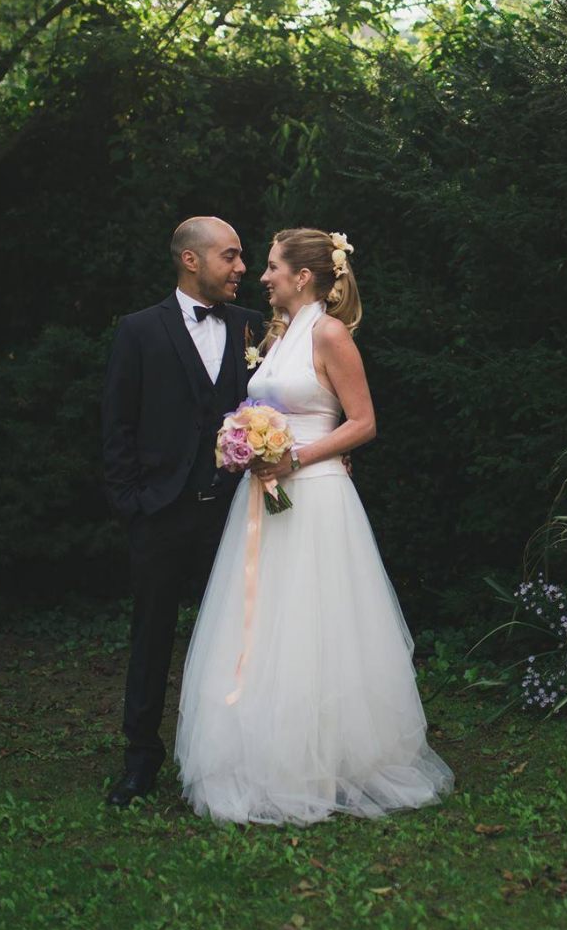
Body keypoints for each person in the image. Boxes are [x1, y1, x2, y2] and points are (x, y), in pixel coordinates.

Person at [173, 228, 454, 824]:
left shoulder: (329, 334)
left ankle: (331, 762)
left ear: (302, 277)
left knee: (316, 624)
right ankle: (266, 757)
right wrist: (247, 441)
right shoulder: (278, 336)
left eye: (273, 267)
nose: (262, 276)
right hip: (265, 497)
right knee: (266, 624)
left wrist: (294, 456)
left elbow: (363, 422)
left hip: (316, 497)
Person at [101, 217, 266, 808]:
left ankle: (235, 754)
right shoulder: (139, 330)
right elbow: (117, 424)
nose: (242, 267)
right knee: (152, 635)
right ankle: (140, 759)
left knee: (240, 636)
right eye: (231, 256)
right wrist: (132, 504)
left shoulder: (253, 327)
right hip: (161, 512)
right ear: (191, 260)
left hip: (236, 511)